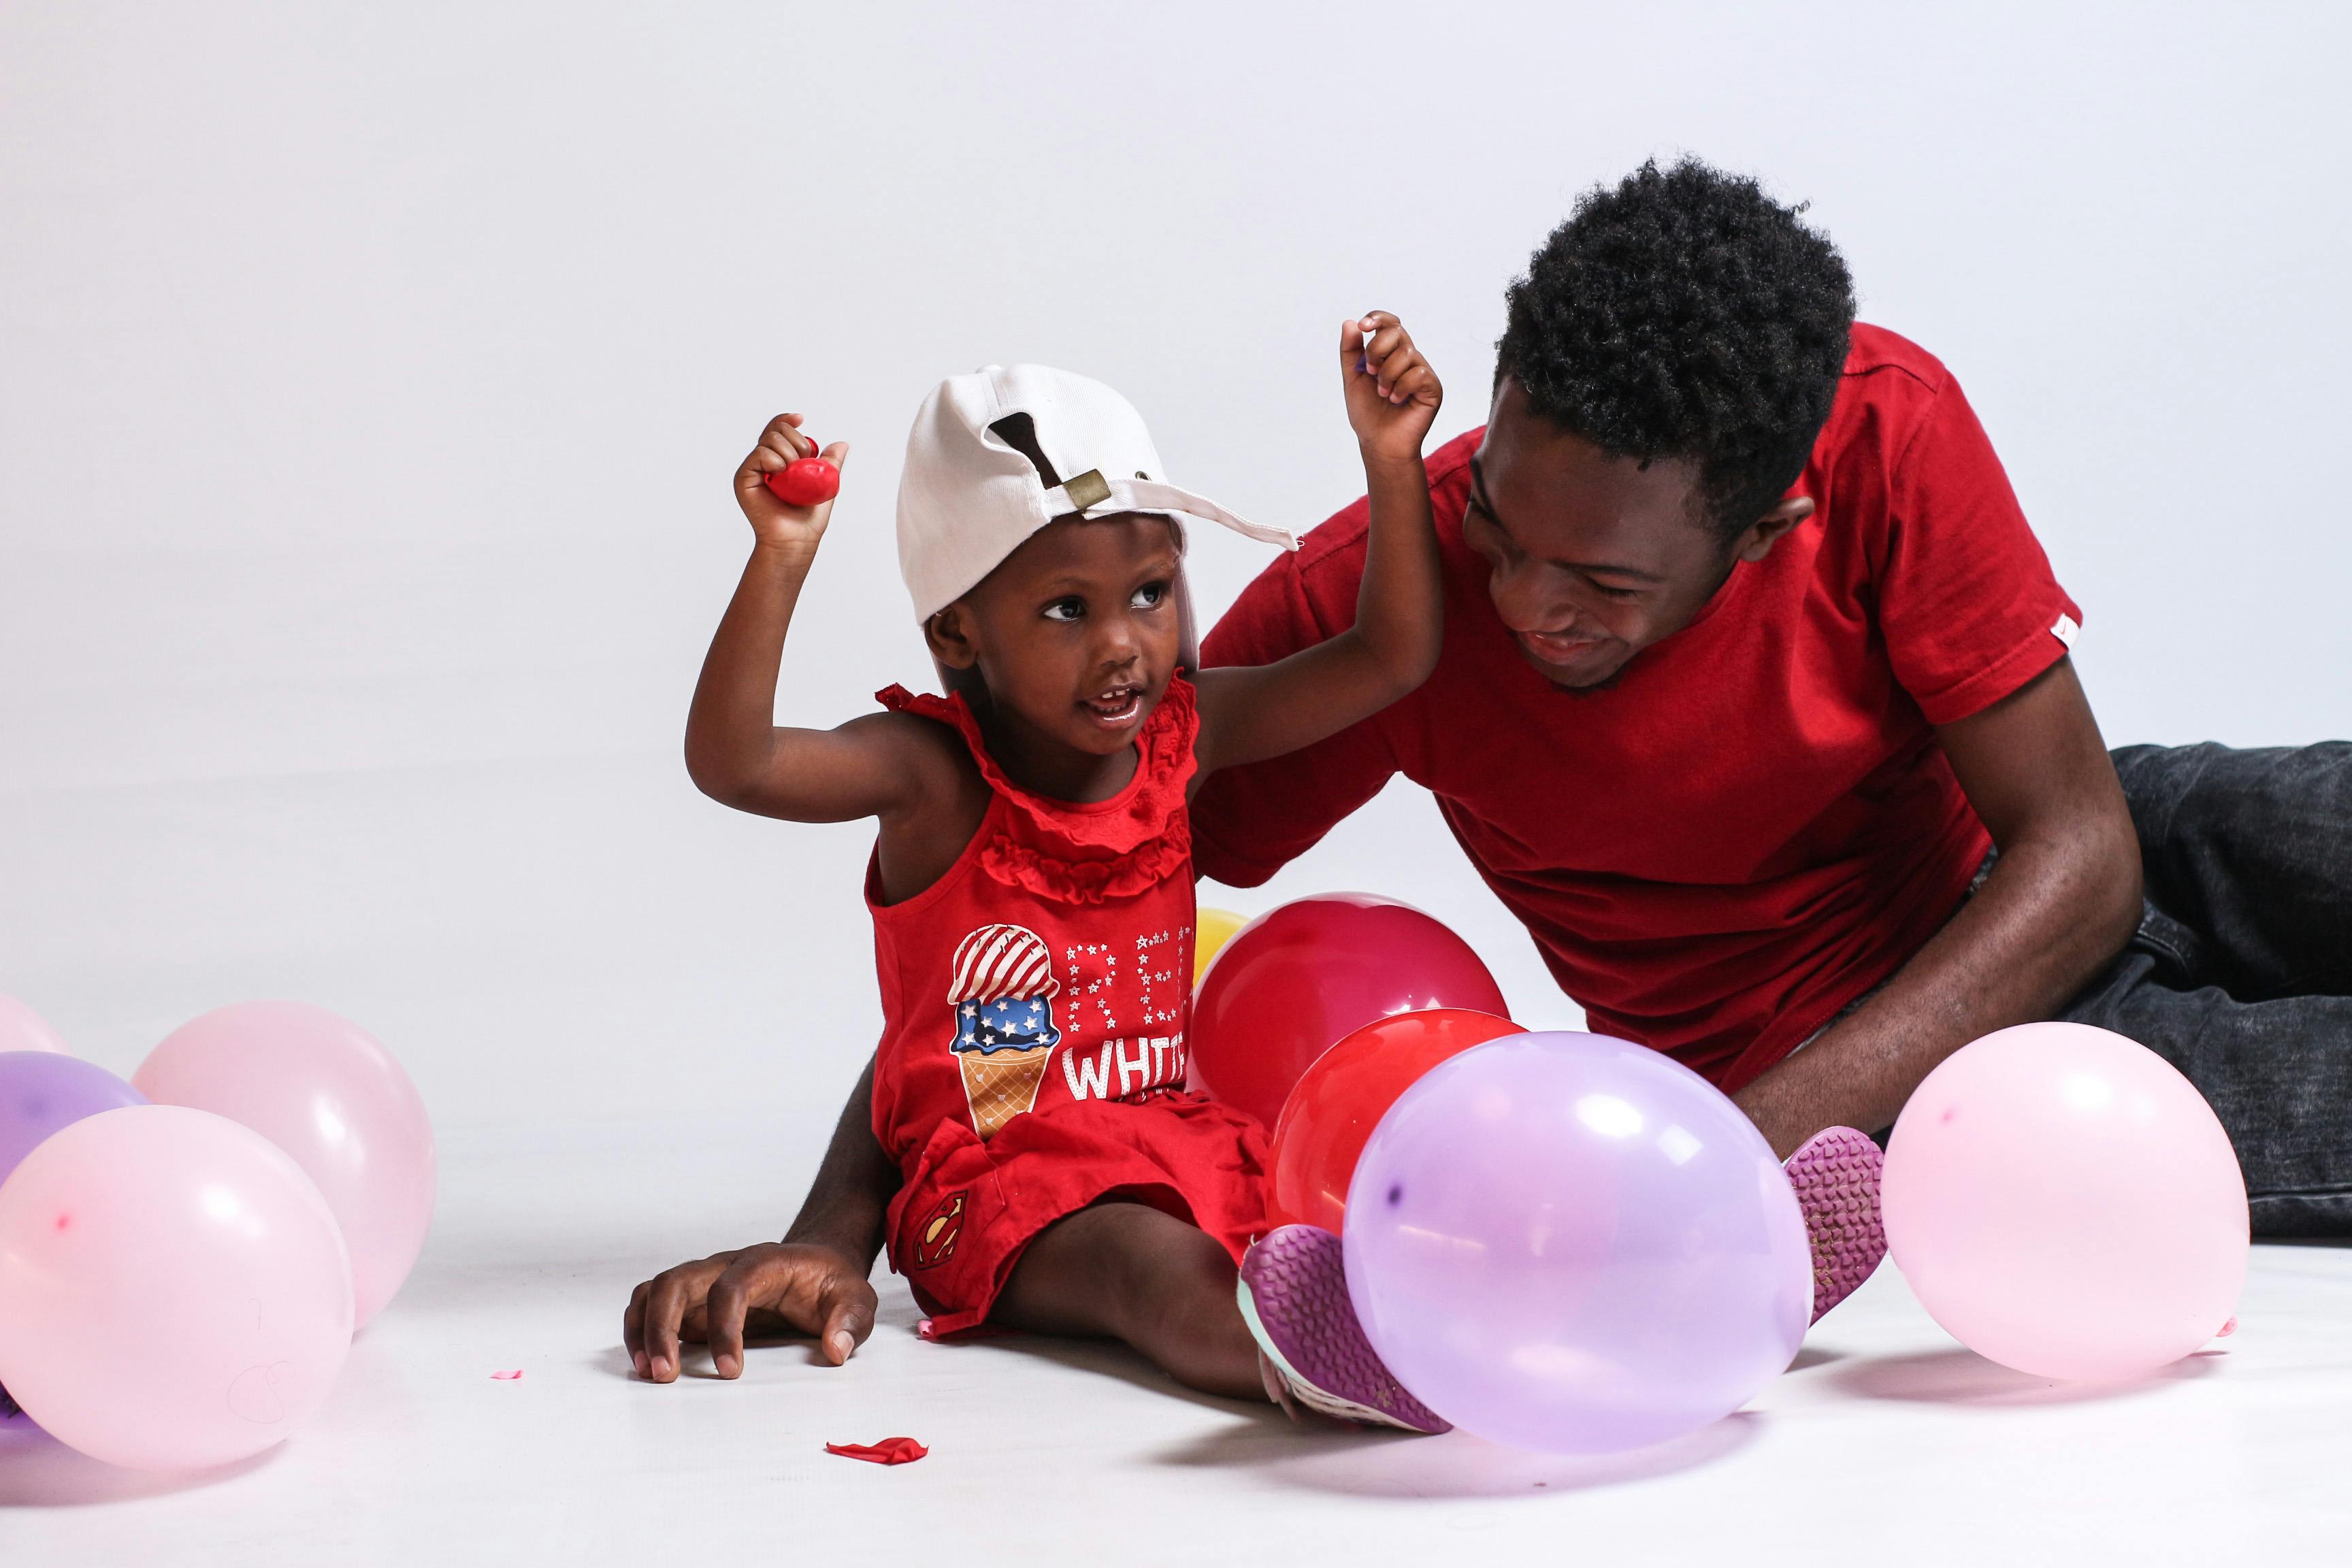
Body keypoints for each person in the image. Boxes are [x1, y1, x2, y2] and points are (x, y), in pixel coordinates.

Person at [659, 156, 2349, 1386]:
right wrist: (845, 1218)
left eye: (1606, 587)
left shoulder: (1884, 427)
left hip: (2068, 866)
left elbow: (2086, 852)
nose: (1526, 600)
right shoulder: (1378, 604)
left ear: (1774, 521)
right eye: (1497, 522)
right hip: (1927, 1065)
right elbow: (1016, 914)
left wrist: (1743, 1153)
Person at [623, 314, 1463, 1424]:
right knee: (1137, 1263)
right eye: (1068, 610)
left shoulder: (1184, 735)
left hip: (1177, 1137)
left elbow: (1391, 656)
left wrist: (1390, 459)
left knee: (1340, 1191)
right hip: (1001, 1187)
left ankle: (1504, 1296)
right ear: (961, 633)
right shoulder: (934, 780)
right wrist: (781, 557)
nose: (1124, 643)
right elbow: (735, 766)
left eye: (1152, 593)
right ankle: (1320, 1360)